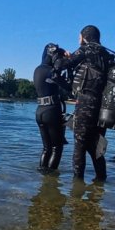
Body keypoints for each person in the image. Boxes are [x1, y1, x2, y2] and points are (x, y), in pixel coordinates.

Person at [56, 25, 115, 181]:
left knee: (80, 145)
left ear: (83, 37)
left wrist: (64, 56)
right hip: (105, 108)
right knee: (96, 145)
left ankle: (77, 186)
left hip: (86, 103)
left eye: (79, 37)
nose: (78, 40)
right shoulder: (108, 55)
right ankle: (100, 181)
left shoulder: (86, 50)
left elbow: (62, 65)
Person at [33, 43, 70, 172]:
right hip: (52, 110)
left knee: (46, 148)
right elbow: (68, 87)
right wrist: (68, 60)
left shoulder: (38, 69)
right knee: (56, 147)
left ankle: (42, 176)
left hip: (40, 111)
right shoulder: (51, 71)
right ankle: (50, 183)